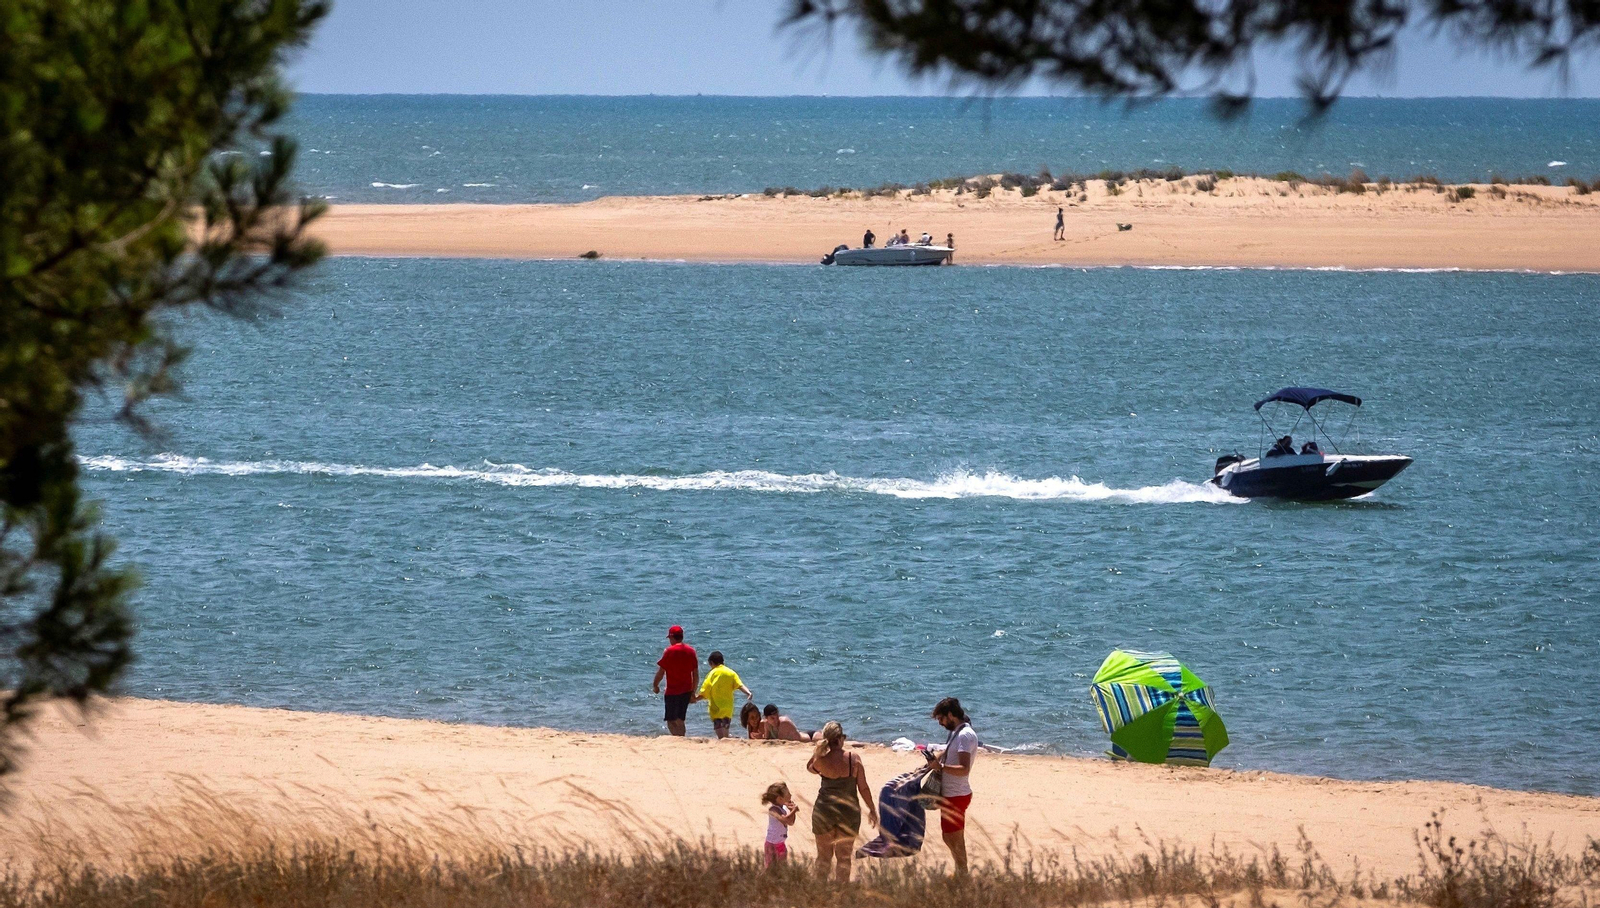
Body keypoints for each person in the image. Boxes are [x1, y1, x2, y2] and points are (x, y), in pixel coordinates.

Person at [807, 721, 877, 882]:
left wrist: (818, 750)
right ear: (840, 739)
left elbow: (809, 767)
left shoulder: (821, 760)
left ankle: (819, 895)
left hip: (824, 811)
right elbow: (863, 788)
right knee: (844, 859)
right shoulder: (853, 759)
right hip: (848, 812)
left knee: (823, 858)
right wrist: (872, 809)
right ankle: (841, 895)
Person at [925, 697, 977, 876]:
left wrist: (941, 767)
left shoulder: (965, 736)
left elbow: (964, 769)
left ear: (950, 715)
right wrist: (933, 762)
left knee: (954, 838)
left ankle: (962, 872)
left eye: (941, 718)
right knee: (950, 837)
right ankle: (961, 870)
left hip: (957, 794)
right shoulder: (956, 731)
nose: (940, 723)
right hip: (951, 794)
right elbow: (947, 751)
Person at [693, 650, 752, 739]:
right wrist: (748, 693)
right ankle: (726, 738)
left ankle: (722, 739)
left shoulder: (712, 673)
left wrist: (695, 698)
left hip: (715, 707)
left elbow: (705, 690)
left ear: (711, 663)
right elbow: (740, 685)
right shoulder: (731, 672)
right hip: (728, 707)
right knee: (725, 726)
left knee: (719, 729)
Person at [651, 625, 698, 736]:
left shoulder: (669, 651)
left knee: (671, 720)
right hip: (686, 690)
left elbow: (661, 672)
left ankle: (679, 738)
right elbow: (695, 674)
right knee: (680, 719)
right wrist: (693, 691)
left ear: (672, 637)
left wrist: (655, 685)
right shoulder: (691, 651)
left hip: (672, 691)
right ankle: (681, 738)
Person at [761, 782, 799, 870]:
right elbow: (784, 820)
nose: (790, 795)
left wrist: (792, 811)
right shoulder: (773, 810)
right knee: (770, 868)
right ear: (780, 799)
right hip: (772, 844)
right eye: (788, 794)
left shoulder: (783, 808)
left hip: (780, 843)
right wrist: (793, 811)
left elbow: (790, 822)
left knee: (782, 867)